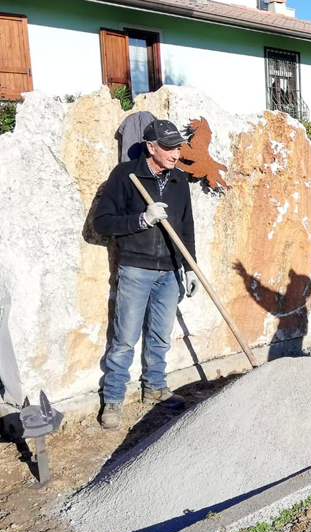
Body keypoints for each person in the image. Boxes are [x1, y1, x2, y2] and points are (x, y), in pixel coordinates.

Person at [94, 119, 200, 430]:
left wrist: (190, 267)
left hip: (170, 271)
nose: (175, 153)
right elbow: (102, 222)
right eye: (169, 147)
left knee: (160, 337)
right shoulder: (126, 175)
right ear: (151, 147)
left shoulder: (179, 180)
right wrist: (141, 220)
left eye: (178, 147)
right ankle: (114, 398)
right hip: (136, 268)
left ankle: (154, 387)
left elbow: (186, 227)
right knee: (125, 339)